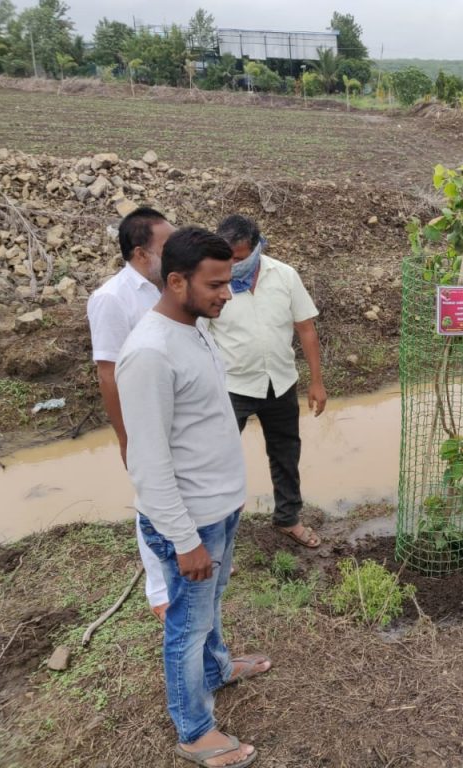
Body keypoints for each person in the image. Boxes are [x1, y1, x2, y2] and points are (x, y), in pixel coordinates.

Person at [117, 226, 270, 768]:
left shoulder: (195, 326)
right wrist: (185, 541)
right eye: (215, 285)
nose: (226, 294)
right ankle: (194, 728)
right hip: (190, 522)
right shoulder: (149, 354)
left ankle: (216, 668)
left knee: (208, 607)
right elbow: (149, 462)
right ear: (176, 280)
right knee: (188, 623)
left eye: (228, 282)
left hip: (218, 507)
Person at [208, 215, 326, 549]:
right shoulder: (214, 284)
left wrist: (316, 382)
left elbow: (306, 329)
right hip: (233, 388)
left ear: (258, 248)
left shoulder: (284, 275)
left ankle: (288, 518)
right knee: (220, 459)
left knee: (286, 453)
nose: (233, 265)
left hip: (280, 382)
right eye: (227, 257)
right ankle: (215, 532)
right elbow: (200, 338)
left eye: (240, 258)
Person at [86, 206, 174, 621]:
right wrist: (126, 436)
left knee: (185, 488)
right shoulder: (110, 299)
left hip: (177, 411)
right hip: (144, 418)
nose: (173, 251)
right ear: (141, 253)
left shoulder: (170, 287)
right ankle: (159, 589)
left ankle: (195, 558)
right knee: (151, 499)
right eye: (166, 245)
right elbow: (108, 373)